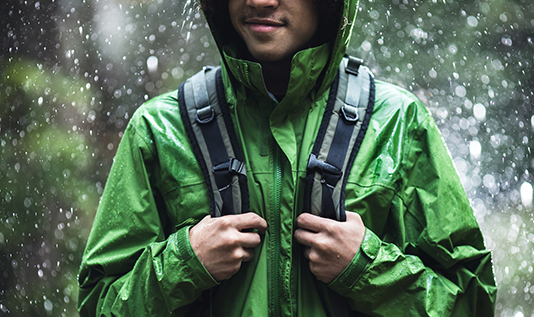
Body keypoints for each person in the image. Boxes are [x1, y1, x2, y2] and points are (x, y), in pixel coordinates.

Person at [78, 0, 497, 315]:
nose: (260, 0)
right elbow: (98, 303)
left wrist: (366, 268)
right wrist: (183, 263)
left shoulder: (397, 122)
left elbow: (472, 302)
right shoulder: (159, 130)